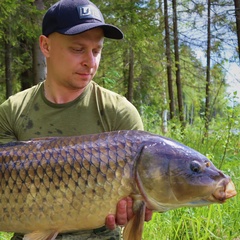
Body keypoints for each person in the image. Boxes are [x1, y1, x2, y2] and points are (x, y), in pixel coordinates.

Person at [0, 0, 152, 239]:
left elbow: (136, 206)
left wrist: (136, 209)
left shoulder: (119, 113)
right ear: (46, 46)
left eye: (96, 51)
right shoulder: (13, 111)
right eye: (78, 49)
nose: (90, 63)